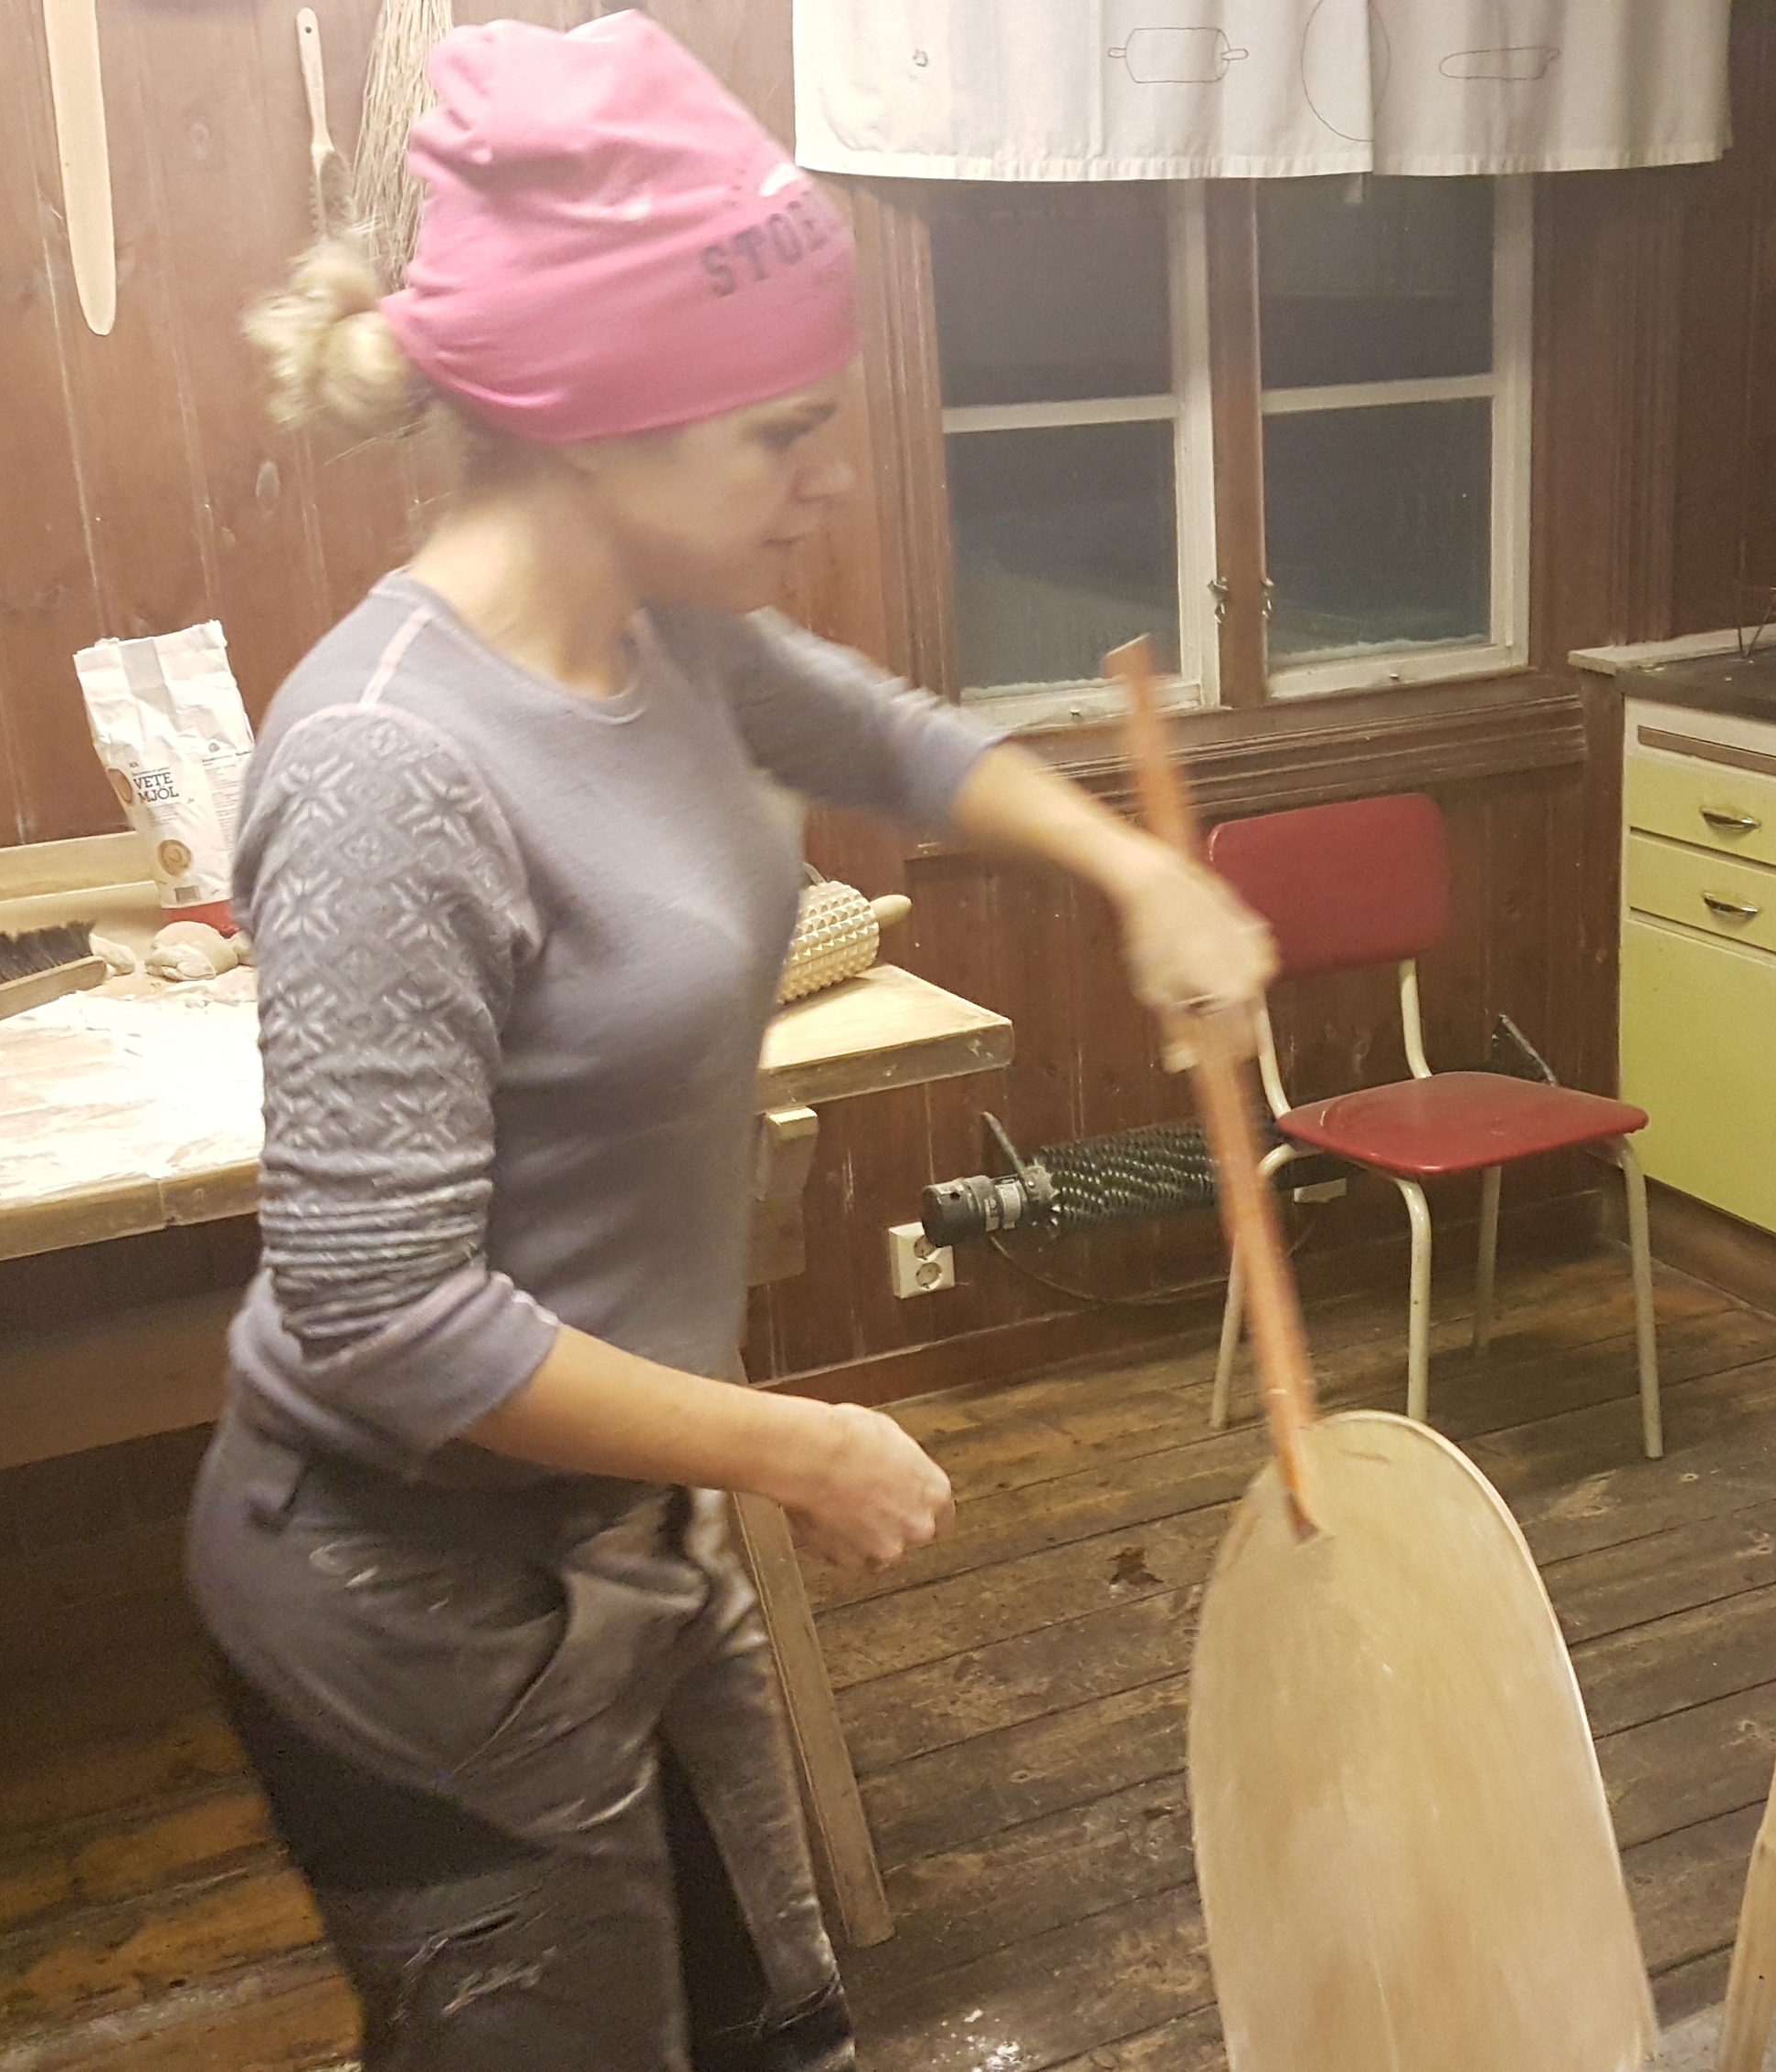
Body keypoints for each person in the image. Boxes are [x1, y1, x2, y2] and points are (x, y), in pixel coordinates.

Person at [195, 16, 1277, 2070]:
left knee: (771, 2024)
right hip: (419, 1604)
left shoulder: (664, 636)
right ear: (591, 428)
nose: (829, 479)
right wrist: (793, 1442)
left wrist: (1138, 872)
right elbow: (381, 1314)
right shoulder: (384, 767)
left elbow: (892, 737)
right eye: (780, 434)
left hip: (626, 1527)